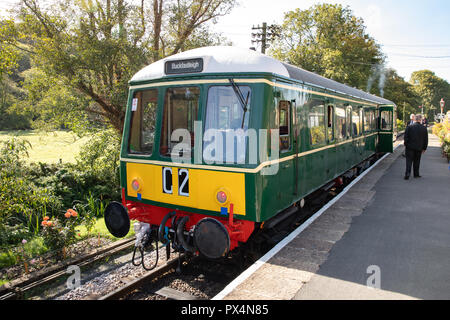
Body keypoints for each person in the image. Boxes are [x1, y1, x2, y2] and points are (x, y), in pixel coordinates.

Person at [404, 114, 428, 180]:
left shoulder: (409, 127)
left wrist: (406, 144)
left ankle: (407, 174)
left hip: (409, 147)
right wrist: (424, 148)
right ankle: (416, 174)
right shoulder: (424, 128)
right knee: (417, 161)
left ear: (415, 119)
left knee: (408, 161)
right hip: (419, 147)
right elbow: (426, 139)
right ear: (421, 120)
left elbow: (406, 137)